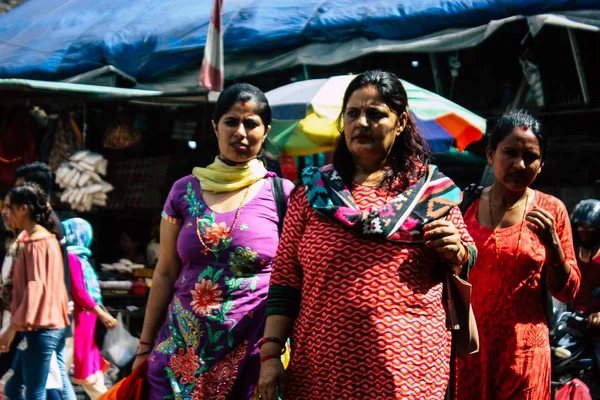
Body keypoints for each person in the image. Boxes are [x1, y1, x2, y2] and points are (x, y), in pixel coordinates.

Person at [258, 70, 477, 400]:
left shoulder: (431, 193)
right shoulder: (310, 195)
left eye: (375, 114)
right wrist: (271, 356)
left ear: (400, 122)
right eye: (353, 113)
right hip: (321, 369)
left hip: (409, 368)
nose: (361, 123)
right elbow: (285, 282)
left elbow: (468, 255)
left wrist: (456, 250)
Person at [135, 83, 294, 399]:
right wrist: (143, 346)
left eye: (251, 123)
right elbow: (165, 271)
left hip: (251, 356)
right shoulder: (183, 191)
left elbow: (293, 278)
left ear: (266, 131)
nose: (241, 132)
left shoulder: (283, 195)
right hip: (181, 354)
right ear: (215, 126)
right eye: (231, 121)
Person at [456, 110, 581, 400]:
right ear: (490, 154)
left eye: (531, 157)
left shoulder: (552, 210)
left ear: (542, 163)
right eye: (509, 152)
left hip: (525, 353)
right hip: (470, 350)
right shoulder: (464, 207)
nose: (519, 164)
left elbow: (568, 290)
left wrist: (553, 245)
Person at [0, 182, 71, 400]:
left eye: (9, 206)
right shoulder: (39, 239)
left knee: (35, 391)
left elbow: (35, 287)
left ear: (24, 209)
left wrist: (12, 328)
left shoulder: (37, 242)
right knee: (13, 387)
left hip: (41, 327)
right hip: (39, 326)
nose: (5, 211)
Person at [62, 218, 117, 400]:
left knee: (69, 364)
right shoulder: (75, 258)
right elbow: (80, 292)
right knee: (81, 363)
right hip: (80, 317)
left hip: (80, 318)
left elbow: (80, 292)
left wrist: (101, 314)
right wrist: (101, 314)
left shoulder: (75, 257)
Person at [570, 199, 600, 371]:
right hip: (573, 327)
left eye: (590, 228)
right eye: (581, 227)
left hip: (597, 331)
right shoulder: (569, 255)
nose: (585, 233)